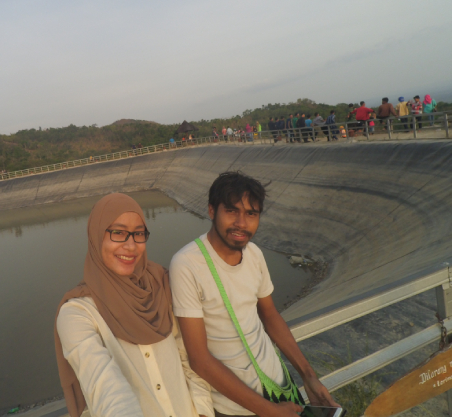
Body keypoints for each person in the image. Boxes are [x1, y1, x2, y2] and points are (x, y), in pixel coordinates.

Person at [170, 172, 338, 417]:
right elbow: (199, 359)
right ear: (211, 210)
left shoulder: (254, 254)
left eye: (251, 214)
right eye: (231, 211)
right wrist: (269, 411)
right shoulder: (187, 265)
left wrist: (309, 377)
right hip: (236, 407)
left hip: (280, 388)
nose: (241, 223)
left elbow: (269, 315)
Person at [55, 193, 212, 417]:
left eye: (138, 234)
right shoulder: (77, 314)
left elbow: (188, 356)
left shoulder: (161, 286)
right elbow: (103, 385)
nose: (131, 246)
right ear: (96, 236)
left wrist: (203, 411)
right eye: (118, 233)